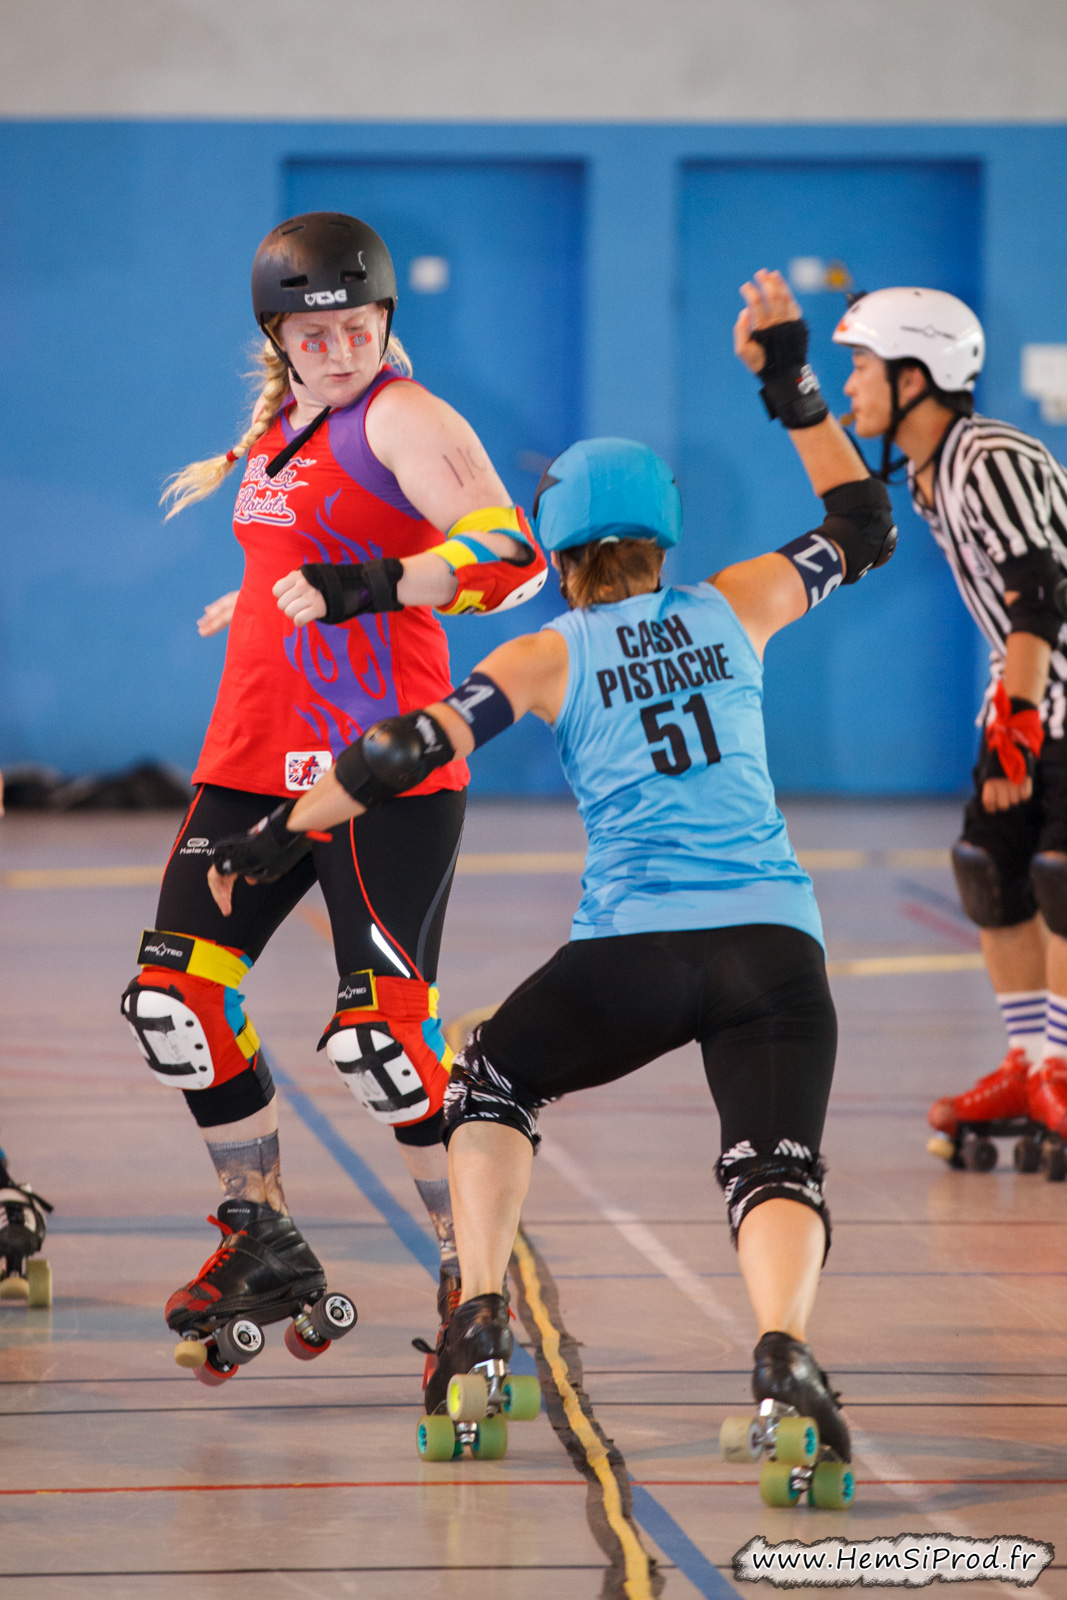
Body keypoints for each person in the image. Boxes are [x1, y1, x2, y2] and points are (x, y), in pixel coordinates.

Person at [205, 306, 896, 1493]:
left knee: (486, 1085)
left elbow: (395, 753)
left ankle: (478, 1319)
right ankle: (783, 1357)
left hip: (631, 950)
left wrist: (276, 833)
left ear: (559, 548)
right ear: (663, 536)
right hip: (776, 948)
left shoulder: (543, 655)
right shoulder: (739, 600)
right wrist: (789, 385)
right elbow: (862, 523)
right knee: (773, 1169)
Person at [121, 211, 548, 1375]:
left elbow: (510, 557)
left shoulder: (405, 416)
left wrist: (376, 583)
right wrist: (257, 604)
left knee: (385, 1042)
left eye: (360, 326)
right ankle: (262, 1237)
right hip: (250, 759)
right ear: (277, 336)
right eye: (315, 333)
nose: (341, 348)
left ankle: (469, 1277)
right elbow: (295, 552)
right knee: (175, 1000)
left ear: (386, 320)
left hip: (379, 770)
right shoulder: (282, 423)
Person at [826, 274, 1067, 1163]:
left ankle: (1060, 1069)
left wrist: (1016, 727)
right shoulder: (934, 469)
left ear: (913, 376)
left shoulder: (989, 457)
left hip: (1044, 696)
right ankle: (1029, 1063)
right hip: (1032, 692)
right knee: (988, 869)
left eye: (860, 366)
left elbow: (1038, 593)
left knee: (1059, 875)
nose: (849, 384)